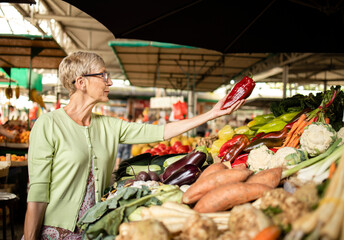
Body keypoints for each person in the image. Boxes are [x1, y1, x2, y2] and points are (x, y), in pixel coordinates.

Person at [23, 51, 245, 240]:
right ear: (81, 82)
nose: (109, 81)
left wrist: (212, 114)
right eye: (102, 75)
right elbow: (38, 192)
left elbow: (161, 132)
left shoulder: (109, 126)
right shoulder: (48, 124)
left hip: (93, 229)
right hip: (55, 231)